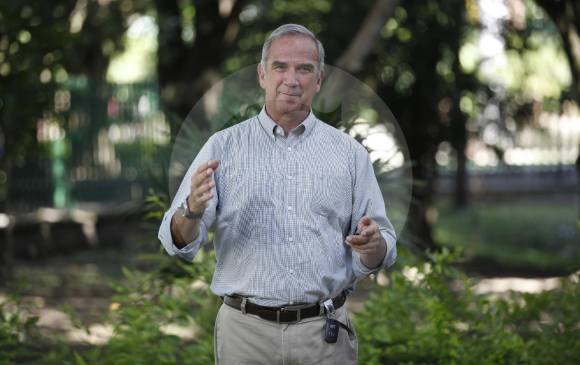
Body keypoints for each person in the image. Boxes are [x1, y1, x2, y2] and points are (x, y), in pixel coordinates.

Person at [158, 23, 397, 365]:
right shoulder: (222, 148)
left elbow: (382, 248)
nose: (292, 79)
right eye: (280, 67)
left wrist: (374, 246)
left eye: (304, 69)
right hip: (245, 336)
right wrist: (192, 210)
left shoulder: (349, 154)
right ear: (261, 75)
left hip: (323, 338)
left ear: (319, 80)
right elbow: (175, 241)